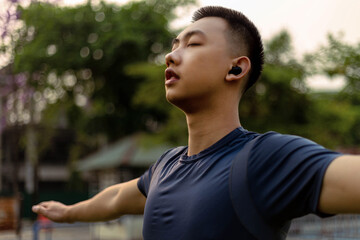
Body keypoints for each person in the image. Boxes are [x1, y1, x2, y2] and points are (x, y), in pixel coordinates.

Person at [32, 6, 360, 240]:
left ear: (235, 69)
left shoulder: (265, 159)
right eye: (174, 46)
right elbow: (117, 198)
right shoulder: (165, 167)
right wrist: (69, 212)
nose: (170, 56)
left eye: (192, 44)